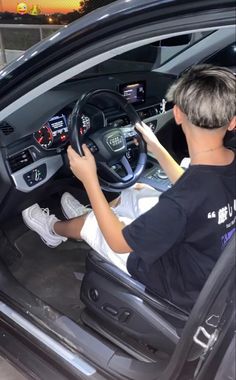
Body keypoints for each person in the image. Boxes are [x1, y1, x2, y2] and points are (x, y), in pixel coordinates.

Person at [22, 65, 236, 311]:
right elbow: (193, 185)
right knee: (138, 189)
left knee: (95, 225)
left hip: (176, 281)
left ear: (177, 114)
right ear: (232, 122)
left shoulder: (180, 204)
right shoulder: (226, 164)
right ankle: (89, 215)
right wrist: (155, 146)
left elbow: (118, 243)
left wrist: (89, 179)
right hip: (207, 262)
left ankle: (54, 230)